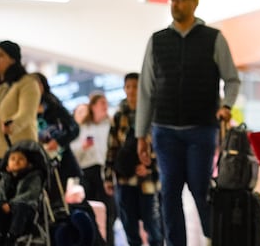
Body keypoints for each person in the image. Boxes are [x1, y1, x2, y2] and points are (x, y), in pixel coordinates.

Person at [136, 0, 241, 245]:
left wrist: (226, 106)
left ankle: (214, 238)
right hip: (165, 129)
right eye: (172, 0)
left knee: (200, 190)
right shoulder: (157, 40)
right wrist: (141, 134)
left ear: (195, 3)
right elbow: (146, 90)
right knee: (169, 193)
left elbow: (232, 79)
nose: (176, 4)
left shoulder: (213, 38)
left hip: (201, 130)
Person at [0, 40, 41, 199]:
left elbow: (27, 114)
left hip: (16, 152)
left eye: (0, 56)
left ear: (13, 59)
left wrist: (12, 125)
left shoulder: (27, 83)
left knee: (15, 200)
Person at [104, 72, 163, 246]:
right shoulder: (119, 115)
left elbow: (162, 147)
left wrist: (150, 166)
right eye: (128, 86)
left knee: (153, 225)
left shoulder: (154, 114)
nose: (131, 91)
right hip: (124, 178)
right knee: (128, 224)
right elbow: (112, 148)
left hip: (148, 180)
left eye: (135, 86)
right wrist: (108, 177)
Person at [71, 91, 114, 245]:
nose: (105, 106)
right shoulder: (78, 130)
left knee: (108, 212)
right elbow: (72, 154)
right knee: (87, 211)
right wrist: (83, 147)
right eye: (101, 103)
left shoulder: (109, 125)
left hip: (103, 173)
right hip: (84, 173)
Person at [0, 141, 44, 246]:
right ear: (7, 165)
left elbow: (30, 194)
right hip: (5, 209)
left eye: (21, 159)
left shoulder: (34, 177)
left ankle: (12, 238)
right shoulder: (4, 178)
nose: (16, 161)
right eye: (13, 159)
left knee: (21, 208)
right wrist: (1, 203)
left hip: (24, 209)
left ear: (29, 164)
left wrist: (11, 205)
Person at [32, 72, 82, 188]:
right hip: (37, 163)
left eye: (37, 84)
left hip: (59, 162)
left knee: (56, 200)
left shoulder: (53, 105)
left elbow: (74, 128)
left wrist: (58, 141)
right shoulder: (25, 108)